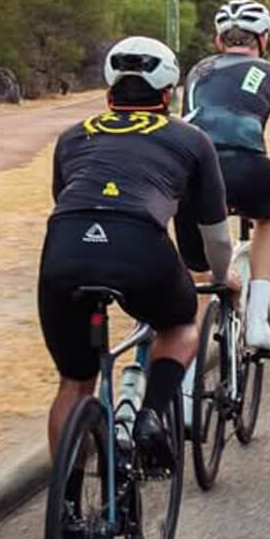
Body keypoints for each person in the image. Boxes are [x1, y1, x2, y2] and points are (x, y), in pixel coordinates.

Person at [38, 36, 237, 470]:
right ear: (168, 93)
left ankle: (67, 512)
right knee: (181, 325)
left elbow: (64, 199)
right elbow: (217, 236)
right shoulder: (191, 138)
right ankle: (150, 415)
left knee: (74, 381)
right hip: (139, 244)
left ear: (109, 88)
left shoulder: (73, 136)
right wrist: (221, 279)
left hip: (65, 246)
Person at [176, 0, 270, 353]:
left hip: (193, 174)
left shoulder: (197, 72)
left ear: (220, 41)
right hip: (248, 170)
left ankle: (186, 385)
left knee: (201, 279)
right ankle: (257, 320)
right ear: (263, 39)